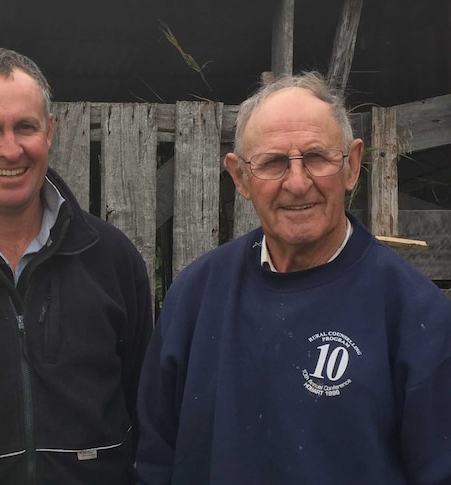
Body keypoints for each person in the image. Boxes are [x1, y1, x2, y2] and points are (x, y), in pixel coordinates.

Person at [136, 71, 451, 484]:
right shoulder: (195, 297)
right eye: (273, 162)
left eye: (317, 157)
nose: (298, 183)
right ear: (240, 178)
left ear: (352, 165)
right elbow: (155, 461)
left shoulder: (416, 315)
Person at [0, 47, 153, 484]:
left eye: (26, 127)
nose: (11, 148)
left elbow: (144, 407)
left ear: (50, 131)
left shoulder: (111, 258)